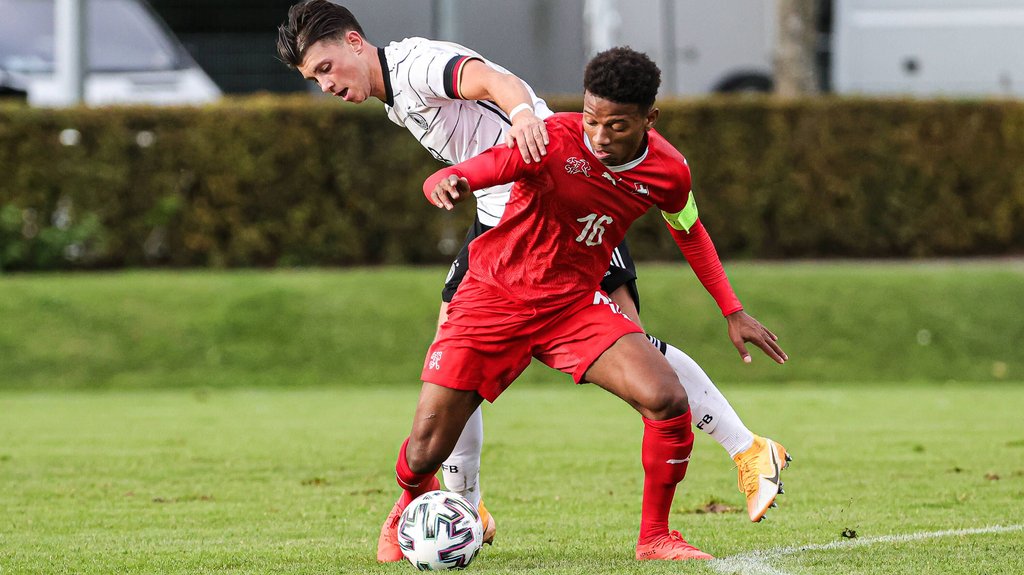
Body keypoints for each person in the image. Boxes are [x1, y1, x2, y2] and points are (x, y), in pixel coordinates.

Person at [275, 0, 791, 560]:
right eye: (313, 78)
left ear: (354, 43)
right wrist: (454, 178)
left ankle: (724, 467)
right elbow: (488, 161)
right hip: (506, 235)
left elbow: (493, 81)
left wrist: (523, 118)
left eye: (325, 68)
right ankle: (451, 502)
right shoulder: (398, 92)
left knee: (650, 375)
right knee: (435, 417)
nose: (325, 84)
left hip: (564, 225)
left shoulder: (418, 67)